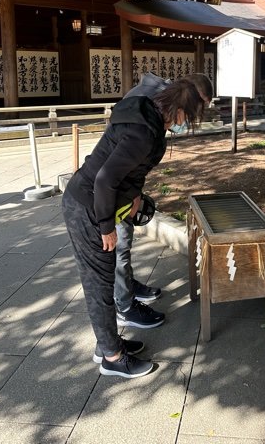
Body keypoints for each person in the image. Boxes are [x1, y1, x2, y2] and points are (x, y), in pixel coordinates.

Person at [62, 79, 205, 379]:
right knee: (99, 284)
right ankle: (112, 358)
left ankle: (108, 345)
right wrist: (105, 228)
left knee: (101, 279)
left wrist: (135, 194)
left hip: (91, 202)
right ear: (177, 111)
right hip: (88, 208)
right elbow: (104, 180)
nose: (186, 124)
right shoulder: (144, 131)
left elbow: (126, 169)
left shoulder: (144, 112)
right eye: (187, 118)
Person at [113, 73, 213, 331]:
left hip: (124, 181)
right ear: (188, 94)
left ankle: (127, 286)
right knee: (119, 244)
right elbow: (120, 163)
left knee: (125, 242)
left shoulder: (161, 102)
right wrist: (130, 195)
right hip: (113, 185)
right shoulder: (149, 107)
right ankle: (123, 306)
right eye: (196, 107)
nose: (193, 115)